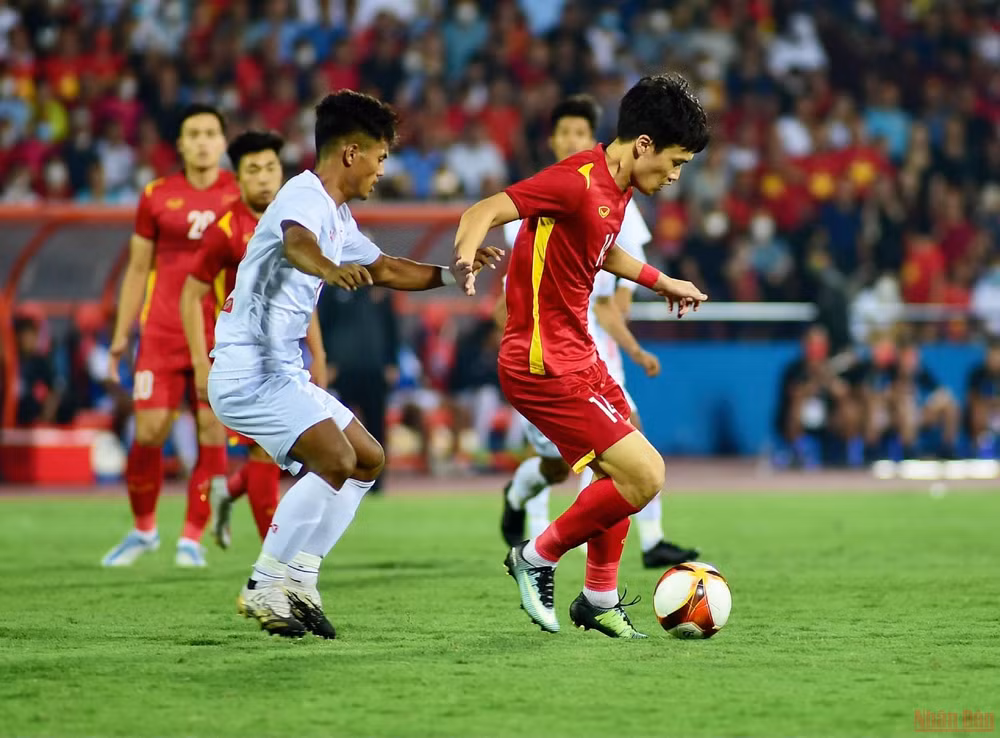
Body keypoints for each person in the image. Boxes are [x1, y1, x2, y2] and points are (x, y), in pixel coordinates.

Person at [207, 90, 501, 638]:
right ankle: (263, 584)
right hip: (247, 370)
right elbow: (296, 244)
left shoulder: (337, 217)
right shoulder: (304, 196)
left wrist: (450, 274)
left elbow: (386, 268)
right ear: (350, 153)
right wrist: (327, 267)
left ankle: (301, 577)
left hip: (280, 370)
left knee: (367, 459)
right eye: (381, 156)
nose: (382, 168)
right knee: (336, 460)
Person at [453, 74, 709, 639]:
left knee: (618, 471)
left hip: (580, 355)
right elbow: (484, 210)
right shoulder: (574, 180)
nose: (674, 176)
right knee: (647, 475)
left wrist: (662, 279)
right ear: (643, 144)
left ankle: (597, 597)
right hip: (541, 364)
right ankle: (536, 556)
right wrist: (466, 256)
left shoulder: (618, 188)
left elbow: (602, 246)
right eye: (676, 162)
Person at [496, 94, 698, 568]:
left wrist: (634, 334)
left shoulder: (625, 195)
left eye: (580, 134)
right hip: (544, 353)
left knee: (628, 450)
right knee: (560, 465)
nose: (572, 142)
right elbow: (514, 281)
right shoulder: (550, 194)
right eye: (563, 133)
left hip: (591, 349)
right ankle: (528, 522)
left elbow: (611, 295)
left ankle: (640, 550)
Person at [102, 104, 240, 568]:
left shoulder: (239, 196)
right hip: (161, 330)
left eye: (210, 133)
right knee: (150, 430)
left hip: (216, 331)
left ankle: (191, 538)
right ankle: (143, 530)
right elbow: (138, 268)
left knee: (211, 430)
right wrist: (122, 334)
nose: (202, 141)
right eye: (193, 133)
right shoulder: (157, 195)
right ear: (180, 144)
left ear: (223, 143)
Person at [178, 130, 327, 548]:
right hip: (238, 359)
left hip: (283, 357)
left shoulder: (295, 224)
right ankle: (273, 561)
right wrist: (199, 362)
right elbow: (190, 296)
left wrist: (318, 353)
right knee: (268, 451)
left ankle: (232, 493)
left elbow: (301, 297)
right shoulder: (224, 229)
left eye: (270, 168)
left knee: (277, 453)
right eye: (253, 170)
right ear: (238, 179)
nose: (263, 178)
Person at [965, 339, 1000, 458]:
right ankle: (980, 451)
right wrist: (989, 403)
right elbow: (971, 399)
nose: (994, 359)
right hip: (983, 414)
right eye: (992, 355)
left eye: (997, 355)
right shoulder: (977, 373)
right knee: (978, 410)